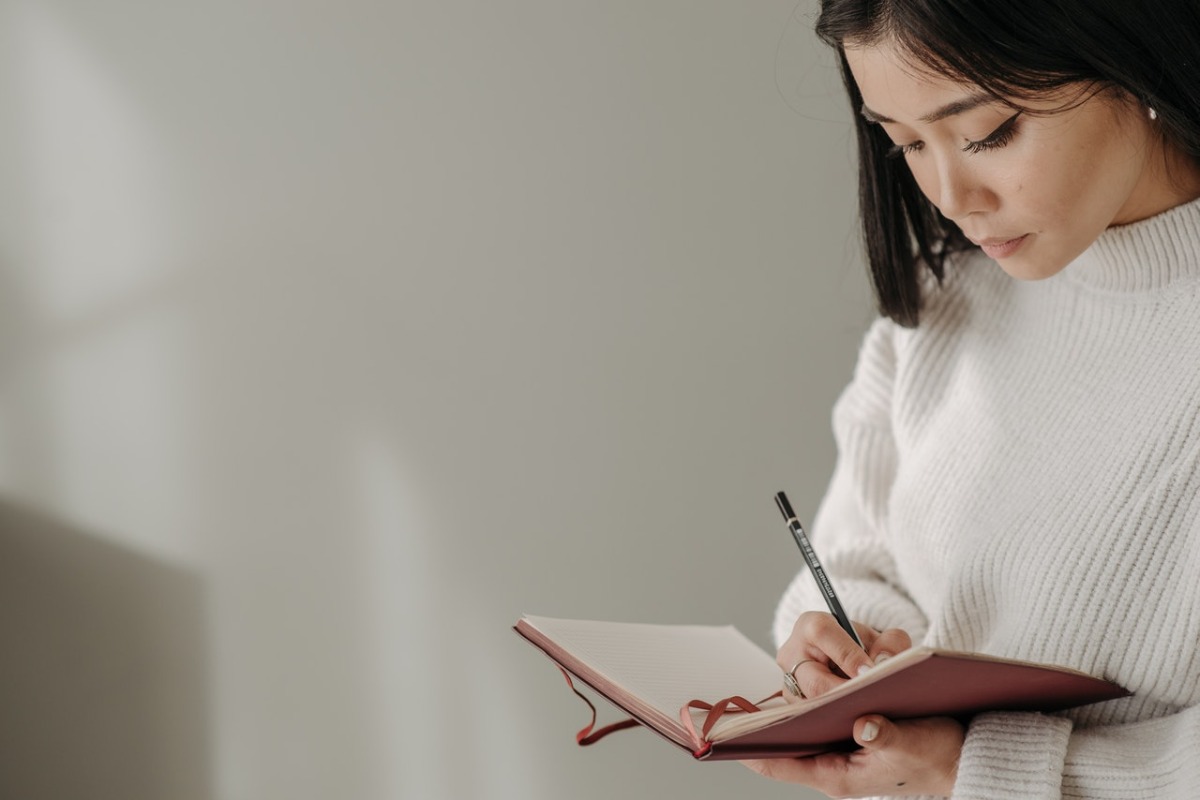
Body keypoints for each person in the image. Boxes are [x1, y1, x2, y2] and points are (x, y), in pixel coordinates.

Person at [742, 0, 1200, 797]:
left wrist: (973, 771)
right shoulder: (950, 300)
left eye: (987, 133)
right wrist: (846, 656)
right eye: (906, 143)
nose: (951, 195)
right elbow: (861, 558)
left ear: (1136, 52)